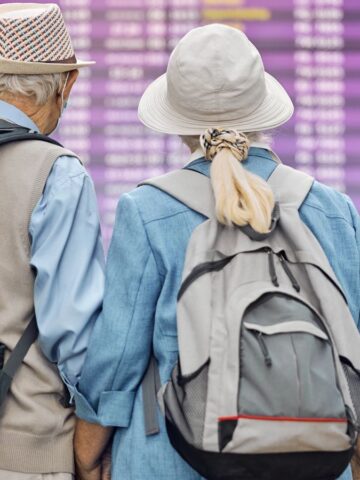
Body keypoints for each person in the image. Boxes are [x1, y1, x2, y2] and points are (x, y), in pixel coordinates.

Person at [74, 24, 360, 480]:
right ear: (262, 110)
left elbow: (118, 355)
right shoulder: (332, 210)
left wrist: (87, 450)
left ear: (178, 122)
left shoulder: (147, 210)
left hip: (172, 457)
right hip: (316, 453)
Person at [0, 3, 104, 480]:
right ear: (67, 84)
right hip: (25, 445)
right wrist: (94, 441)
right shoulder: (55, 173)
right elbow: (75, 331)